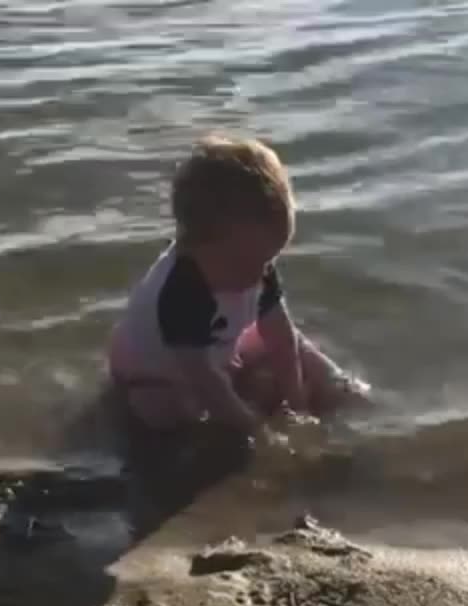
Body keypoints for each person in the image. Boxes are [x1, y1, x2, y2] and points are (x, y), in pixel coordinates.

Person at [107, 133, 367, 435]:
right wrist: (259, 432)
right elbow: (205, 382)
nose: (260, 275)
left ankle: (343, 388)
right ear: (195, 246)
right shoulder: (180, 292)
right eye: (247, 263)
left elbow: (280, 335)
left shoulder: (253, 266)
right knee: (163, 410)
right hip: (161, 371)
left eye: (268, 259)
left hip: (218, 342)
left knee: (296, 343)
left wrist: (297, 402)